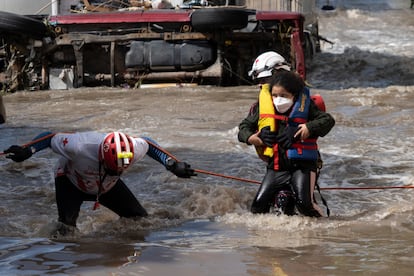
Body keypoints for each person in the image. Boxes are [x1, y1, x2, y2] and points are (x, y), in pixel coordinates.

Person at [4, 131, 195, 235]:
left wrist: (171, 163)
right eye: (113, 168)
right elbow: (49, 137)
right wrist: (27, 151)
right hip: (71, 181)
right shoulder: (78, 146)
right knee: (66, 230)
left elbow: (148, 143)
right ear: (102, 156)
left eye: (120, 170)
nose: (117, 172)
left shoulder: (133, 149)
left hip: (106, 186)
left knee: (139, 219)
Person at [238, 70, 335, 217]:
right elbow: (243, 128)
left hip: (302, 167)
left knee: (305, 205)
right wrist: (252, 138)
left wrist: (308, 127)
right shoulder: (263, 108)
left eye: (283, 96)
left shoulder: (306, 107)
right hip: (277, 167)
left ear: (294, 96)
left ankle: (322, 232)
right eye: (275, 95)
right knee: (258, 207)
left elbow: (328, 120)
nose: (278, 100)